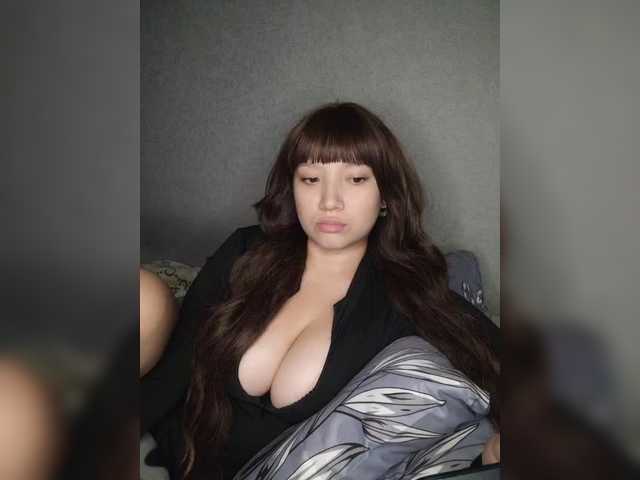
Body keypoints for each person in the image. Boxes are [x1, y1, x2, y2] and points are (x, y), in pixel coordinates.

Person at [141, 102, 500, 479]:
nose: (330, 201)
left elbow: (500, 361)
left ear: (386, 196)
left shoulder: (405, 294)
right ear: (292, 188)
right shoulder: (246, 252)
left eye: (356, 179)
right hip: (183, 460)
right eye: (311, 179)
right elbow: (175, 369)